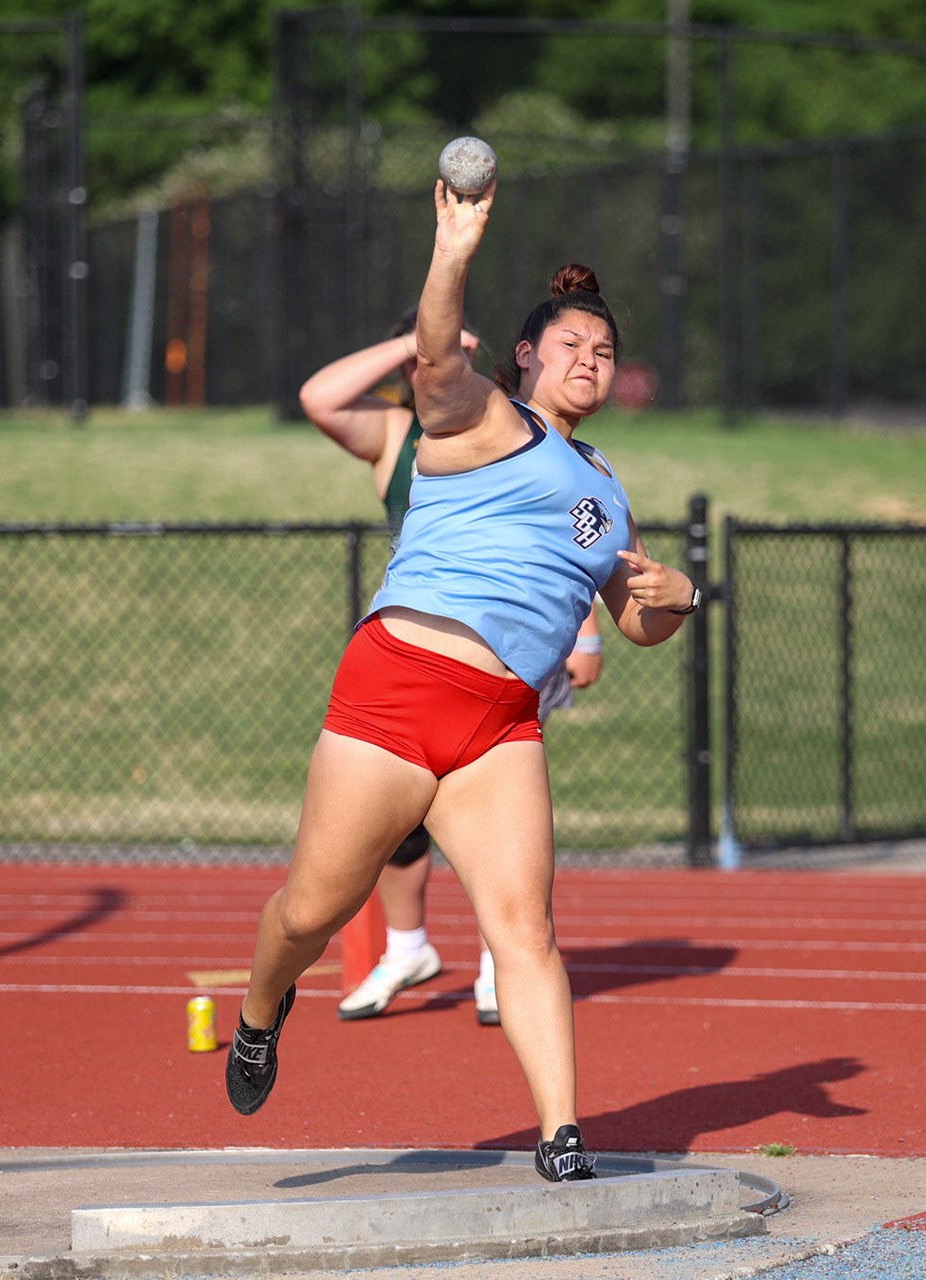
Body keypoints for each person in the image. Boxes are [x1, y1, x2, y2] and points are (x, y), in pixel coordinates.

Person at [226, 175, 699, 1182]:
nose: (590, 360)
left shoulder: (608, 488)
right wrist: (451, 249)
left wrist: (680, 596)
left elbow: (636, 619)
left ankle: (562, 1131)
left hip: (502, 725)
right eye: (571, 344)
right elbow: (435, 356)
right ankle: (263, 1009)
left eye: (605, 351)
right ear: (527, 355)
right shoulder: (479, 418)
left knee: (526, 925)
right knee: (312, 910)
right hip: (398, 688)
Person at [298, 314, 604, 1026]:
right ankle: (409, 949)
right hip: (419, 645)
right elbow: (319, 397)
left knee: (485, 808)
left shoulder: (509, 429)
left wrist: (588, 631)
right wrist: (413, 341)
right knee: (400, 817)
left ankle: (504, 959)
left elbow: (571, 527)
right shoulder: (395, 437)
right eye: (429, 349)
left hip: (510, 646)